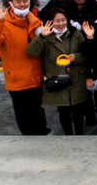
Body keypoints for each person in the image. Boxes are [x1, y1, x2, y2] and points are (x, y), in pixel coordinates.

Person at [0, 0, 50, 135]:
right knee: (23, 113)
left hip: (35, 76)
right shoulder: (4, 24)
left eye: (25, 1)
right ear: (11, 3)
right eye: (18, 1)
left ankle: (43, 135)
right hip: (17, 79)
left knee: (37, 109)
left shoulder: (35, 21)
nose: (22, 4)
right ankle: (28, 141)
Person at [25, 7, 91, 135]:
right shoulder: (46, 37)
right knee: (63, 111)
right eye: (57, 21)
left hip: (76, 77)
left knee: (78, 110)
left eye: (63, 20)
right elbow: (31, 52)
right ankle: (67, 136)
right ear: (50, 22)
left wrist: (75, 57)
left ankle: (79, 135)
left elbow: (87, 54)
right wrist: (41, 36)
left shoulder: (76, 34)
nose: (61, 24)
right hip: (57, 78)